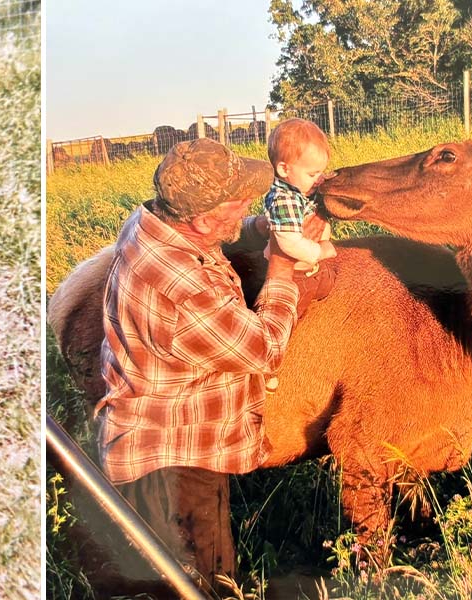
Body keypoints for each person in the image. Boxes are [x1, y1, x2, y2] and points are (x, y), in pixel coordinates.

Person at [96, 137, 329, 592]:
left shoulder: (152, 223)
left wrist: (262, 225)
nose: (246, 203)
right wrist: (281, 272)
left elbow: (219, 226)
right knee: (206, 582)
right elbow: (262, 349)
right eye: (238, 201)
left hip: (162, 429)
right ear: (203, 219)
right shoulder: (183, 287)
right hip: (174, 458)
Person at [262, 118, 337, 274]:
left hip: (305, 244)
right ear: (284, 169)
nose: (319, 179)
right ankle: (304, 270)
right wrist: (319, 252)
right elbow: (290, 243)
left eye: (320, 172)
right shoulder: (284, 199)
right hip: (293, 256)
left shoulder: (297, 187)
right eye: (312, 174)